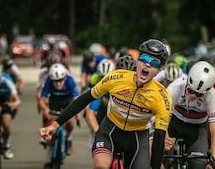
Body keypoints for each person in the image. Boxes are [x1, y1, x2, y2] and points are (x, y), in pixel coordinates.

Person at [39, 39, 172, 169]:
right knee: (101, 166)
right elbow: (83, 100)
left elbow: (159, 139)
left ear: (159, 69)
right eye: (144, 59)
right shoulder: (116, 78)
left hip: (137, 139)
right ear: (137, 60)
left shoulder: (162, 97)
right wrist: (55, 125)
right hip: (109, 132)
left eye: (154, 62)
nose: (147, 65)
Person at [165, 61, 215, 169]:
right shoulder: (176, 87)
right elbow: (163, 116)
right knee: (156, 154)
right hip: (174, 123)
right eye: (190, 90)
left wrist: (213, 162)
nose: (193, 96)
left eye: (199, 94)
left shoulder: (212, 96)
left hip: (197, 129)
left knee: (198, 165)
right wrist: (164, 135)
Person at [38, 63, 79, 168]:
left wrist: (76, 114)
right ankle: (48, 159)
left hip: (68, 101)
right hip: (55, 102)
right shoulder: (48, 81)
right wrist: (45, 109)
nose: (58, 83)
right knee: (51, 129)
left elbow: (76, 100)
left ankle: (68, 138)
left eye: (60, 80)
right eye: (55, 81)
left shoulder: (70, 81)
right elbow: (42, 100)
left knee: (70, 123)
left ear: (64, 78)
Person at [0, 64, 21, 159]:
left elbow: (17, 100)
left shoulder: (7, 80)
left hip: (4, 101)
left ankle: (6, 146)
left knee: (6, 124)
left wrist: (13, 105)